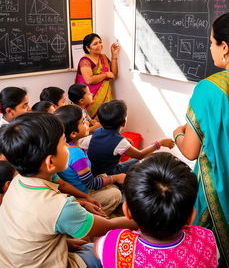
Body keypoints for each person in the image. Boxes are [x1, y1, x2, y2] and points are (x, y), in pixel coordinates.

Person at [173, 11, 229, 268]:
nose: (210, 48)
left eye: (211, 42)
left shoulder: (211, 88)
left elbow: (189, 151)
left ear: (225, 47)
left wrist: (177, 133)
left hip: (225, 192)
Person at [0, 112, 136, 268]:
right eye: (64, 143)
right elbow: (107, 226)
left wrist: (63, 242)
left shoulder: (18, 182)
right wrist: (144, 218)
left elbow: (27, 232)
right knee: (106, 250)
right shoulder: (60, 207)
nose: (67, 147)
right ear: (50, 162)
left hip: (12, 262)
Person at [94, 152, 218, 268]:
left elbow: (96, 249)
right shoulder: (207, 238)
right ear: (191, 217)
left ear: (127, 211)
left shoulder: (113, 245)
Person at [55, 105, 124, 216]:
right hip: (82, 192)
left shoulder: (63, 146)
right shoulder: (76, 154)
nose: (87, 123)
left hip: (75, 188)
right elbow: (91, 184)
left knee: (104, 176)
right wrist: (116, 178)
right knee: (116, 194)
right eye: (83, 122)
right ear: (73, 133)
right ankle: (96, 215)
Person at [87, 100, 174, 176]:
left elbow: (107, 140)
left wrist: (123, 139)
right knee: (142, 160)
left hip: (94, 170)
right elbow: (140, 155)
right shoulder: (119, 142)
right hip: (109, 174)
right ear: (124, 122)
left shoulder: (97, 131)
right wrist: (160, 143)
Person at [75, 33, 120, 118]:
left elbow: (114, 74)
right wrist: (106, 74)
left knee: (105, 121)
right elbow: (89, 80)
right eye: (95, 44)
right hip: (90, 100)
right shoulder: (85, 61)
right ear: (88, 48)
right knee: (91, 124)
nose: (99, 45)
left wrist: (114, 56)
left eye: (100, 42)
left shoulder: (103, 57)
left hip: (105, 98)